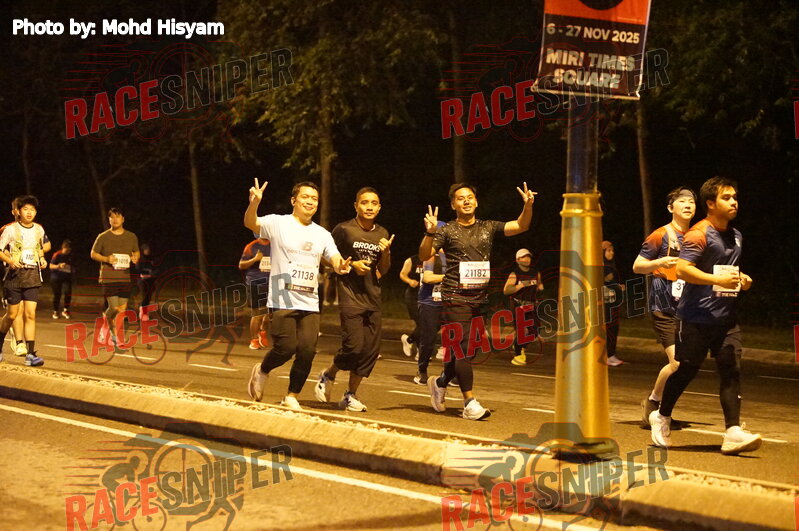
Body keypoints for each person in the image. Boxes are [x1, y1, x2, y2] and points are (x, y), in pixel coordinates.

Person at [649, 177, 761, 455]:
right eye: (727, 197)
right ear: (711, 203)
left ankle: (732, 431)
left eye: (735, 197)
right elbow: (683, 269)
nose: (734, 202)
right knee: (686, 370)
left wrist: (742, 279)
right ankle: (661, 415)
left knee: (731, 371)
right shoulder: (699, 233)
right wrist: (715, 280)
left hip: (726, 318)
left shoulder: (736, 236)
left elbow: (726, 270)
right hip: (695, 317)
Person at [419, 182, 536, 420]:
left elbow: (521, 225)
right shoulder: (447, 230)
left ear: (476, 201)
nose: (466, 201)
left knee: (469, 351)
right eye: (460, 198)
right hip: (454, 297)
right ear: (454, 205)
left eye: (470, 197)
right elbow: (424, 255)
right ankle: (469, 403)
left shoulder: (488, 227)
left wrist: (528, 206)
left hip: (479, 298)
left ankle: (440, 383)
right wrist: (430, 233)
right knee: (462, 350)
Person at [244, 179, 351, 410]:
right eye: (305, 197)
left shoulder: (322, 234)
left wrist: (340, 265)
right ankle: (262, 370)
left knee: (308, 350)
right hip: (282, 297)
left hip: (310, 301)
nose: (310, 201)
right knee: (286, 348)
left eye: (314, 198)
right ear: (294, 200)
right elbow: (251, 222)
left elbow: (333, 256)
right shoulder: (278, 223)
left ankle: (292, 395)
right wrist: (254, 203)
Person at [315, 188, 393, 411]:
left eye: (374, 203)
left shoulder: (382, 233)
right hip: (350, 295)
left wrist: (386, 253)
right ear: (356, 205)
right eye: (364, 202)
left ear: (379, 207)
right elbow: (324, 256)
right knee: (354, 347)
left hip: (373, 296)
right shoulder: (344, 230)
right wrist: (350, 266)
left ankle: (350, 394)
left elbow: (383, 270)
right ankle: (328, 374)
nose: (369, 207)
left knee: (370, 351)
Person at [633, 187, 696, 426]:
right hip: (664, 308)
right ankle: (654, 402)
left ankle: (660, 408)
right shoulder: (661, 235)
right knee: (677, 362)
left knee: (686, 364)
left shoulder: (698, 236)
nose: (688, 205)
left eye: (692, 202)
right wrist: (660, 262)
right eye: (682, 201)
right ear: (671, 207)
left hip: (688, 309)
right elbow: (637, 266)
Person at [0, 195, 48, 366]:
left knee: (30, 314)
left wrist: (42, 259)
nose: (29, 212)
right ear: (18, 212)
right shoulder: (10, 229)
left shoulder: (38, 230)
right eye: (25, 209)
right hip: (14, 276)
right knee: (12, 315)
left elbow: (39, 248)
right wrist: (10, 261)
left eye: (32, 210)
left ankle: (31, 354)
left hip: (32, 275)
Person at [90, 208, 140, 349]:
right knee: (114, 307)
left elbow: (136, 251)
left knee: (122, 310)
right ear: (109, 220)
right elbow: (93, 253)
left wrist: (136, 257)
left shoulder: (131, 236)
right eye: (112, 217)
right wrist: (106, 259)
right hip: (109, 277)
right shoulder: (103, 236)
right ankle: (108, 331)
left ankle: (115, 335)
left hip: (124, 277)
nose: (115, 219)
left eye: (118, 217)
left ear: (123, 219)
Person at [503, 248, 544, 366]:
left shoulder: (535, 273)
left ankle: (520, 344)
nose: (527, 259)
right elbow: (506, 290)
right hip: (518, 304)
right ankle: (518, 355)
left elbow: (539, 285)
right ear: (518, 260)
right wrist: (520, 285)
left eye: (528, 256)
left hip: (531, 304)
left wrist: (540, 287)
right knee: (521, 331)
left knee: (535, 330)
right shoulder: (514, 274)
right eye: (524, 257)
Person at [414, 247, 445, 384]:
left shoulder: (456, 255)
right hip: (429, 302)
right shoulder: (431, 255)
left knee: (454, 338)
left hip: (449, 302)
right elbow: (427, 278)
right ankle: (422, 370)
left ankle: (450, 373)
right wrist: (449, 277)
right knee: (429, 338)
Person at [239, 237, 271, 350]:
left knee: (270, 312)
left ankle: (262, 331)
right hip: (255, 282)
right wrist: (255, 259)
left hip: (272, 282)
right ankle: (254, 340)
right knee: (257, 313)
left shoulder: (276, 244)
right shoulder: (252, 246)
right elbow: (241, 265)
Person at [602, 241, 625, 366]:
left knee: (614, 328)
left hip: (613, 302)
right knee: (607, 328)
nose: (611, 253)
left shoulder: (612, 265)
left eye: (612, 251)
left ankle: (611, 354)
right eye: (608, 251)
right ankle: (605, 355)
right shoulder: (600, 266)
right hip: (604, 304)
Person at [398, 255, 423, 358]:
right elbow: (402, 274)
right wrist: (410, 281)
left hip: (430, 296)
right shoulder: (412, 260)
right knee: (422, 323)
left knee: (433, 323)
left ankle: (409, 340)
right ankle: (421, 351)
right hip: (414, 296)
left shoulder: (437, 260)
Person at [50, 239, 75, 319]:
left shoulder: (71, 256)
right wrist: (58, 266)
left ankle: (66, 310)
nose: (67, 251)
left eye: (69, 249)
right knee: (57, 294)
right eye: (66, 249)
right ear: (63, 248)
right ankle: (55, 311)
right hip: (56, 277)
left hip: (67, 277)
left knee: (68, 292)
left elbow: (73, 266)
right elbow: (50, 266)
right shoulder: (57, 255)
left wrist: (72, 270)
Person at [134, 243, 157, 322]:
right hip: (142, 280)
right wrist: (144, 273)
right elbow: (138, 269)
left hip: (151, 279)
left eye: (148, 249)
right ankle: (143, 313)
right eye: (146, 249)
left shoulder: (151, 259)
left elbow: (155, 268)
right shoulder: (140, 259)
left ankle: (144, 311)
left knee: (148, 296)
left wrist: (153, 273)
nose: (147, 251)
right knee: (144, 296)